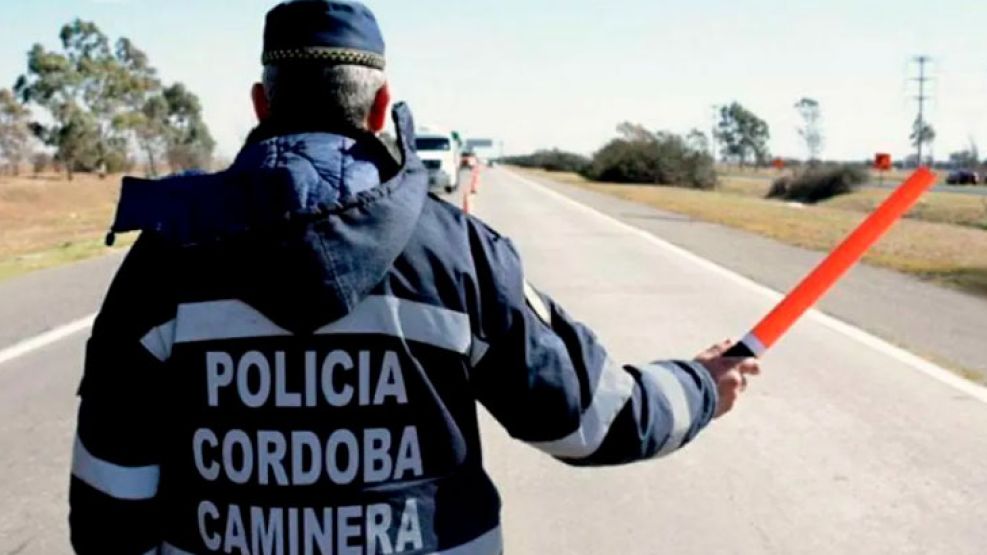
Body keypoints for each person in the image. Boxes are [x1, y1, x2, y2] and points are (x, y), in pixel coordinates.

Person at [68, 1, 761, 553]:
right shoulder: (457, 251)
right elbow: (594, 422)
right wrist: (699, 384)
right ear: (380, 107)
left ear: (261, 102)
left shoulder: (166, 256)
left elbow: (109, 499)